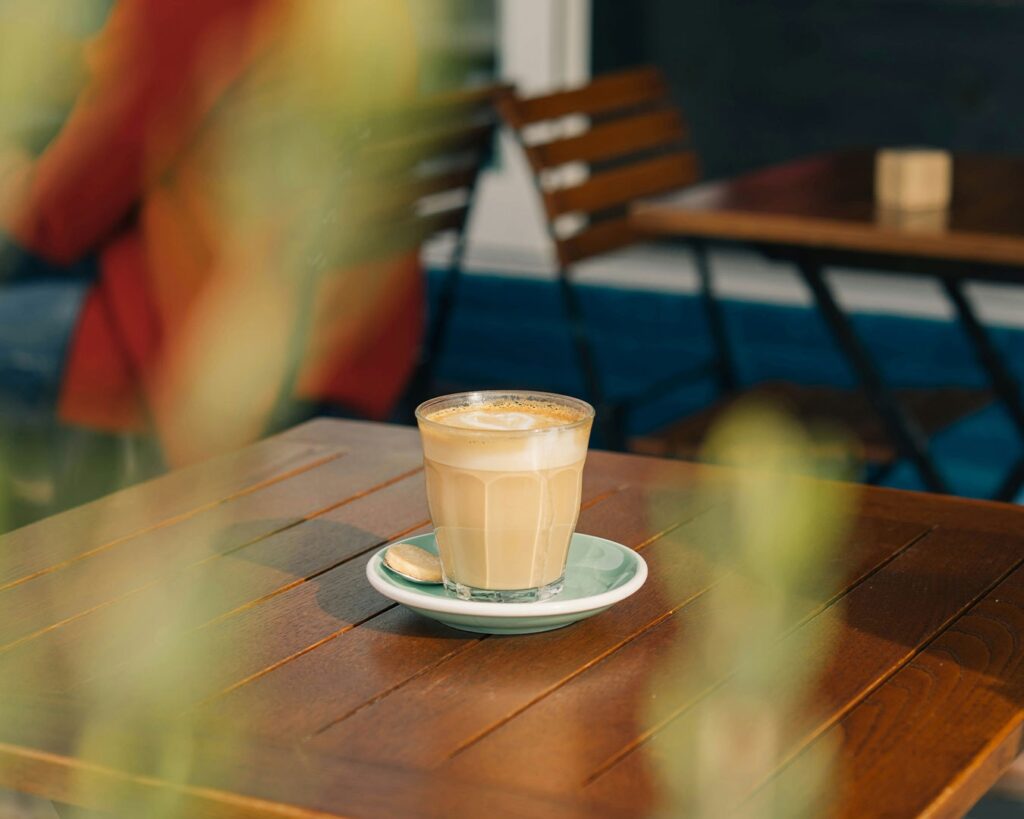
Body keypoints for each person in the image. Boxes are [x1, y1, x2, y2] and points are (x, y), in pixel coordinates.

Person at [0, 0, 425, 472]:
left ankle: (57, 521)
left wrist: (17, 179)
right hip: (360, 330)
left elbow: (61, 218)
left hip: (212, 344)